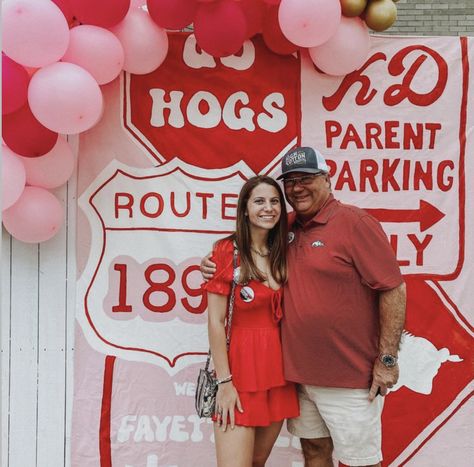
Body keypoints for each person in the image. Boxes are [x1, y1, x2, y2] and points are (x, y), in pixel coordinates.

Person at [202, 147, 406, 467]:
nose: (297, 187)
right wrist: (215, 262)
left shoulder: (354, 223)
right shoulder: (286, 231)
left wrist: (388, 359)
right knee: (314, 453)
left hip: (349, 377)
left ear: (326, 179)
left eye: (307, 178)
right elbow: (241, 254)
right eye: (291, 181)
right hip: (298, 378)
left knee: (361, 462)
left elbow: (393, 287)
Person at [203, 175, 299, 467]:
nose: (268, 208)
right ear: (244, 209)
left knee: (257, 463)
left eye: (274, 202)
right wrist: (225, 383)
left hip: (277, 375)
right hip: (240, 374)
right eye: (259, 201)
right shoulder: (225, 251)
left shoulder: (285, 250)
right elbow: (216, 321)